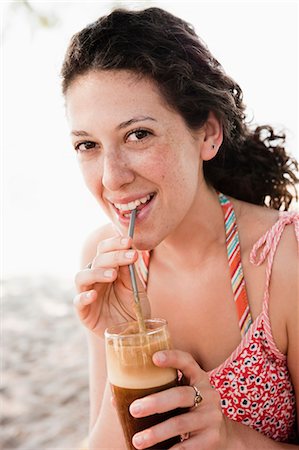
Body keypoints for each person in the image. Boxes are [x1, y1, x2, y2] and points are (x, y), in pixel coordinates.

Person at [61, 7, 299, 449]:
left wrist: (230, 439)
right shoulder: (105, 259)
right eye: (88, 145)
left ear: (208, 133)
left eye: (137, 135)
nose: (111, 178)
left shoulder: (285, 258)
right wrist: (124, 344)